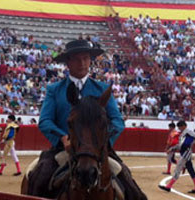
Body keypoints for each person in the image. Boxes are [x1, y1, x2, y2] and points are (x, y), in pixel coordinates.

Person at [37, 39, 144, 198]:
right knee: (38, 178)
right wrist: (62, 138)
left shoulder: (102, 89)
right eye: (77, 59)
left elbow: (117, 121)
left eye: (86, 58)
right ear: (68, 62)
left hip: (99, 152)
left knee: (130, 185)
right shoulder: (54, 89)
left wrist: (103, 141)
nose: (82, 63)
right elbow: (45, 121)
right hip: (64, 150)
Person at [159, 120, 195, 193]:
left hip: (186, 153)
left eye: (180, 127)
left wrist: (194, 144)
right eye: (179, 127)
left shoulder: (188, 132)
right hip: (184, 153)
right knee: (190, 169)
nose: (179, 129)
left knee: (178, 169)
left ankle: (168, 186)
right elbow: (179, 145)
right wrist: (171, 149)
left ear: (184, 126)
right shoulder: (182, 134)